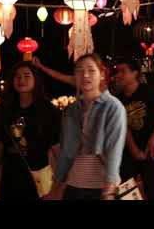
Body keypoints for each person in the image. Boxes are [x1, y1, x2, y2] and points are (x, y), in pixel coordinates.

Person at [48, 53, 127, 200]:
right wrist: (56, 185)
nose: (85, 75)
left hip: (100, 187)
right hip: (74, 186)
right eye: (79, 70)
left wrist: (110, 186)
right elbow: (66, 152)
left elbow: (114, 149)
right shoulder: (72, 109)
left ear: (102, 74)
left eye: (91, 70)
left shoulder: (113, 107)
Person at [0, 62, 61, 200]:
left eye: (27, 76)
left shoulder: (48, 110)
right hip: (10, 176)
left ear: (35, 80)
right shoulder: (6, 109)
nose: (21, 80)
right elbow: (0, 146)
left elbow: (56, 148)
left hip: (39, 175)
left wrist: (58, 183)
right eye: (17, 77)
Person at [114, 58, 154, 200]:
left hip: (151, 151)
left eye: (123, 71)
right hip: (128, 152)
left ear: (135, 73)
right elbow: (124, 127)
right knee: (125, 191)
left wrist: (152, 141)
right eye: (117, 71)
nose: (119, 75)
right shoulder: (118, 99)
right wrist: (134, 150)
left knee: (150, 191)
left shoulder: (148, 91)